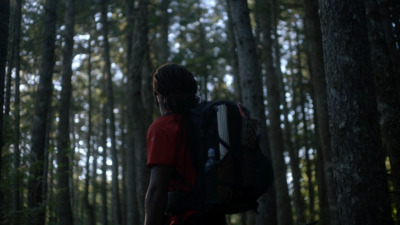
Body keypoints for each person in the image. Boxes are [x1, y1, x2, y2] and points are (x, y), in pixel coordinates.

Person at [144, 63, 227, 225]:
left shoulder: (165, 127)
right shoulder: (207, 124)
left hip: (185, 219)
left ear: (159, 95)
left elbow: (156, 191)